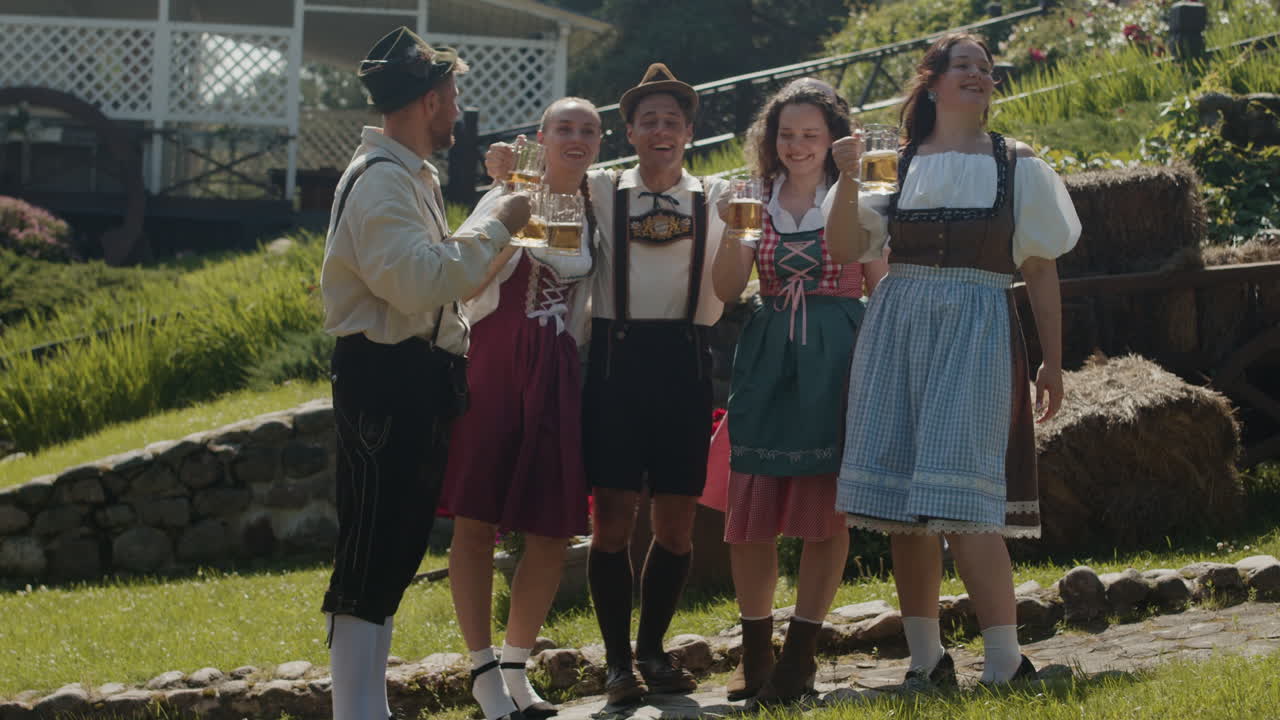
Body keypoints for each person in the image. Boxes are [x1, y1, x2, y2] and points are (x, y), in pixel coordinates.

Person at [825, 32, 1080, 689]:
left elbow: (1041, 269)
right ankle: (925, 661)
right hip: (899, 326)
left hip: (977, 325)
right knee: (902, 510)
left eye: (985, 68)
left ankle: (1005, 663)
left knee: (964, 503)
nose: (978, 74)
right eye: (963, 65)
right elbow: (847, 248)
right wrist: (848, 176)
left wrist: (1052, 362)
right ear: (932, 81)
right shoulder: (892, 162)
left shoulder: (1017, 165)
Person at [492, 63, 732, 705]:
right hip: (615, 363)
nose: (660, 130)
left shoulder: (716, 193)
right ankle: (618, 663)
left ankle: (653, 650)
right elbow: (549, 171)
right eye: (648, 120)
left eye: (672, 121)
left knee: (677, 524)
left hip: (685, 360)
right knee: (613, 525)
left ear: (688, 132)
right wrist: (504, 164)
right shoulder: (602, 187)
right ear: (628, 132)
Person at [319, 26, 530, 720]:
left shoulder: (404, 174)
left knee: (391, 549)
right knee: (373, 553)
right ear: (431, 101)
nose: (458, 110)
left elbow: (436, 277)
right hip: (386, 377)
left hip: (406, 375)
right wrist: (499, 222)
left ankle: (365, 708)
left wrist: (495, 219)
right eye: (453, 97)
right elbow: (417, 284)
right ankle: (356, 712)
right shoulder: (383, 180)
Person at [709, 78, 888, 705]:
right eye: (786, 133)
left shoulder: (857, 193)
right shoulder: (752, 197)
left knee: (824, 509)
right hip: (768, 357)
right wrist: (734, 233)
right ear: (771, 137)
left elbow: (881, 285)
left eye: (811, 134)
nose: (797, 145)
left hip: (837, 355)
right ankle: (756, 650)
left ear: (836, 138)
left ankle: (801, 653)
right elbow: (726, 290)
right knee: (751, 509)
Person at [442, 97, 604, 720]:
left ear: (598, 142)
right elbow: (462, 277)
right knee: (476, 516)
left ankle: (516, 667)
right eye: (564, 127)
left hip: (555, 365)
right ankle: (482, 671)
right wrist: (510, 197)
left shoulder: (596, 203)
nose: (576, 137)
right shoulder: (508, 194)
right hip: (496, 357)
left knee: (552, 527)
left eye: (588, 129)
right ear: (542, 136)